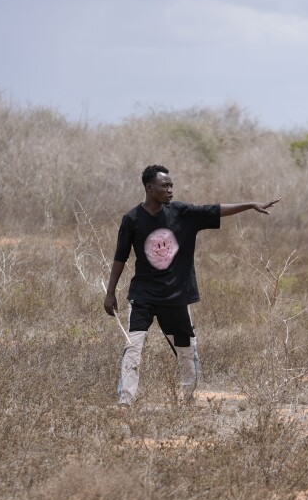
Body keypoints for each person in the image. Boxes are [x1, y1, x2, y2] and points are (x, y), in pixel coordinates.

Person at [104, 164, 281, 405]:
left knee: (186, 352)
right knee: (133, 348)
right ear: (149, 187)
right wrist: (110, 292)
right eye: (164, 186)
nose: (170, 190)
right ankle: (125, 402)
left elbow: (216, 210)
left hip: (176, 298)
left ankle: (188, 399)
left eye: (171, 186)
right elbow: (120, 257)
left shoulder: (182, 213)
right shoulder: (132, 219)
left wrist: (250, 205)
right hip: (143, 296)